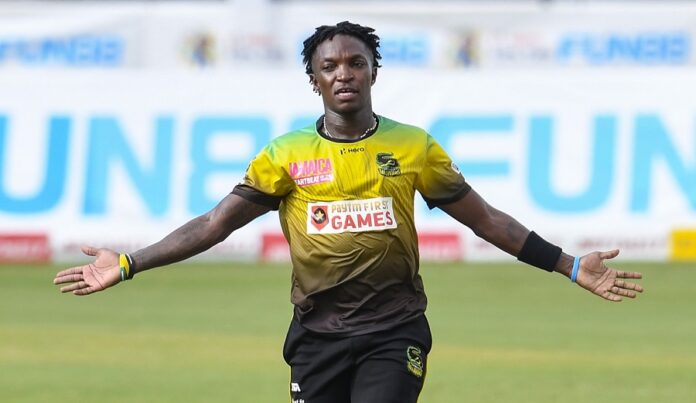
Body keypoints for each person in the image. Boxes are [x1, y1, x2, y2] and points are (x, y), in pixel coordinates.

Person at [54, 21, 644, 403]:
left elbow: (488, 221)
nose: (344, 73)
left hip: (395, 329)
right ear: (314, 80)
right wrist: (128, 263)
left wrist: (569, 265)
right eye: (330, 66)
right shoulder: (285, 155)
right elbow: (213, 225)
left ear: (373, 72)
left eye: (356, 63)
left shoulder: (413, 147)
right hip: (317, 336)